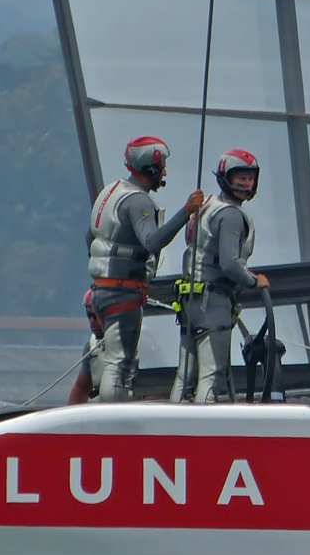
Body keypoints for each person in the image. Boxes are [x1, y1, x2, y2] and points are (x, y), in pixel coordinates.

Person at [86, 136, 204, 401]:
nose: (165, 173)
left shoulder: (110, 193)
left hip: (101, 289)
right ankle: (113, 422)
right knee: (121, 363)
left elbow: (89, 237)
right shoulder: (139, 202)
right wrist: (186, 211)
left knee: (111, 358)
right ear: (150, 166)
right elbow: (152, 241)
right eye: (162, 167)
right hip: (123, 291)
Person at [174, 149, 269, 403]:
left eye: (250, 178)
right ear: (226, 178)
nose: (246, 183)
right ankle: (202, 427)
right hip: (213, 303)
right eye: (240, 178)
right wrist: (254, 281)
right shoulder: (231, 215)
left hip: (189, 300)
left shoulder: (207, 206)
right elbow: (230, 265)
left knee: (185, 377)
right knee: (211, 375)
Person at [68, 290, 105, 405]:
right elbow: (81, 389)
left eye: (96, 315)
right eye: (89, 316)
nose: (92, 321)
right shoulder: (92, 349)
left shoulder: (138, 344)